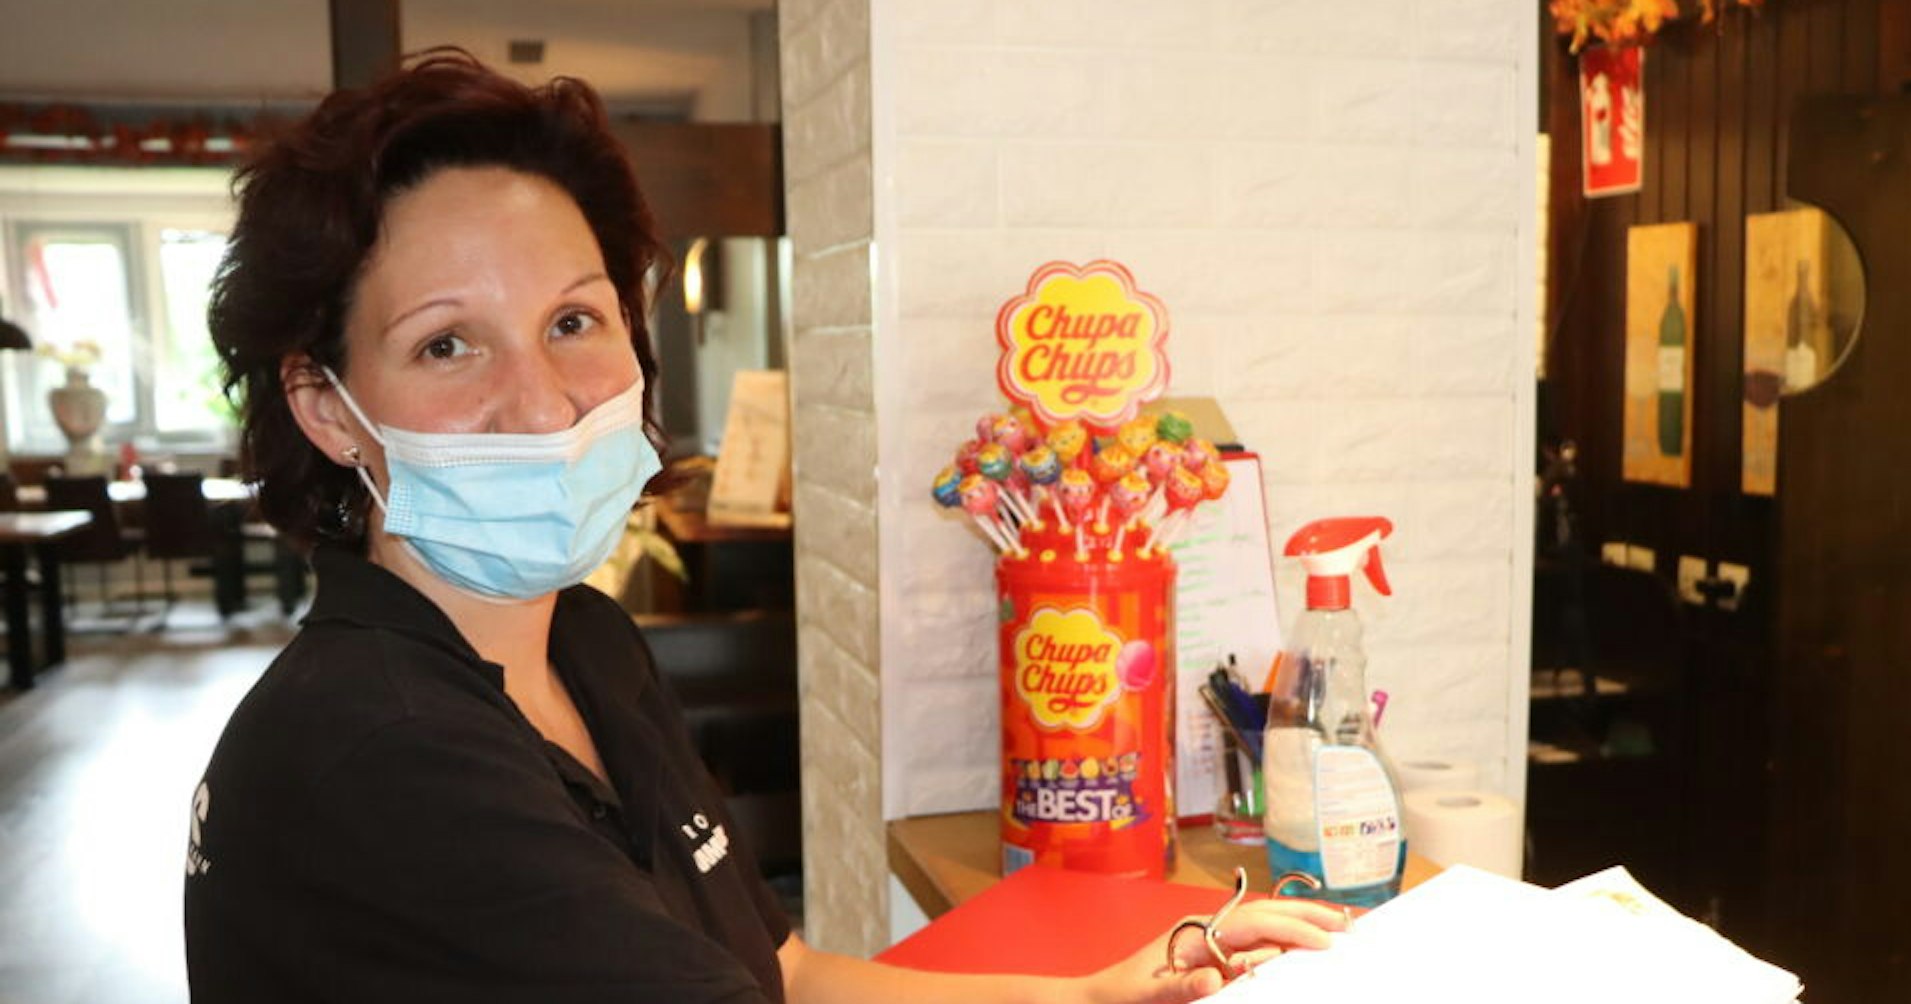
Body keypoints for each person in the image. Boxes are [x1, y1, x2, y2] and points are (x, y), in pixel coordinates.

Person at [184, 50, 1344, 1004]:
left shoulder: (583, 641)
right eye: (447, 343)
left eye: (574, 320)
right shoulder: (375, 749)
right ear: (326, 407)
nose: (542, 403)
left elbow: (779, 972)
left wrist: (1088, 993)